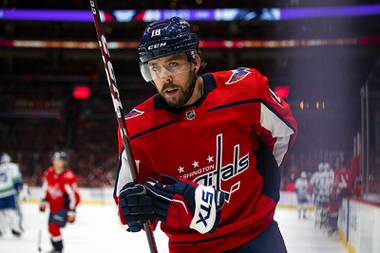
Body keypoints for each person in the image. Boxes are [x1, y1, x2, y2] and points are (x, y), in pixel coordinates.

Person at [114, 17, 297, 253]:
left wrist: (261, 182)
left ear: (195, 62)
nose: (163, 77)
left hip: (256, 236)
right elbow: (128, 203)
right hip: (189, 247)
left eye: (173, 64)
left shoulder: (246, 90)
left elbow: (284, 134)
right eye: (154, 67)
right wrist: (139, 205)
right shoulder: (136, 127)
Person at [39, 151, 80, 253]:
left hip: (63, 208)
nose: (56, 163)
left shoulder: (68, 176)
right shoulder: (49, 173)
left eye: (59, 161)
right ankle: (56, 248)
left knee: (53, 228)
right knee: (51, 229)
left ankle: (59, 249)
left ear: (64, 162)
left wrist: (72, 211)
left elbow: (74, 196)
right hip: (53, 208)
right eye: (55, 160)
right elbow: (46, 189)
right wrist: (43, 201)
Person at [0, 152, 23, 237]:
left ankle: (2, 229)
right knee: (11, 212)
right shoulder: (13, 166)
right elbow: (16, 179)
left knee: (2, 213)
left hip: (3, 194)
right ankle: (15, 228)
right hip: (9, 193)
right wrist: (18, 187)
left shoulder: (6, 167)